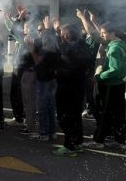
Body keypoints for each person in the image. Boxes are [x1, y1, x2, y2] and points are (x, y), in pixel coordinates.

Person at [83, 22, 126, 150]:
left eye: (104, 33)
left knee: (104, 114)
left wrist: (98, 76)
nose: (102, 35)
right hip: (119, 85)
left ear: (112, 33)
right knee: (118, 114)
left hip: (110, 86)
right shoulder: (121, 45)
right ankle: (121, 140)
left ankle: (99, 140)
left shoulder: (114, 48)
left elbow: (115, 70)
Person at [53, 24, 92, 157]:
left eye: (63, 34)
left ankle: (70, 146)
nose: (61, 37)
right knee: (75, 116)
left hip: (67, 88)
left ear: (67, 35)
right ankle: (77, 143)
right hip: (79, 88)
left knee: (65, 117)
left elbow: (62, 55)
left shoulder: (68, 49)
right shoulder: (83, 46)